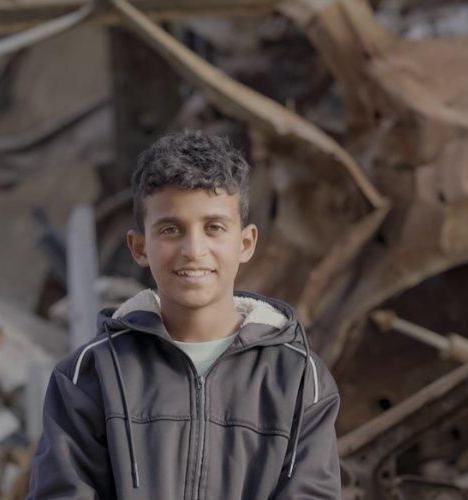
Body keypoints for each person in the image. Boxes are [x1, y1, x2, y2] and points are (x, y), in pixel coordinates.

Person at [27, 130, 341, 499]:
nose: (193, 249)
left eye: (214, 228)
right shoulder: (91, 374)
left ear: (246, 243)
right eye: (171, 229)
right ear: (139, 247)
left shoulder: (298, 378)